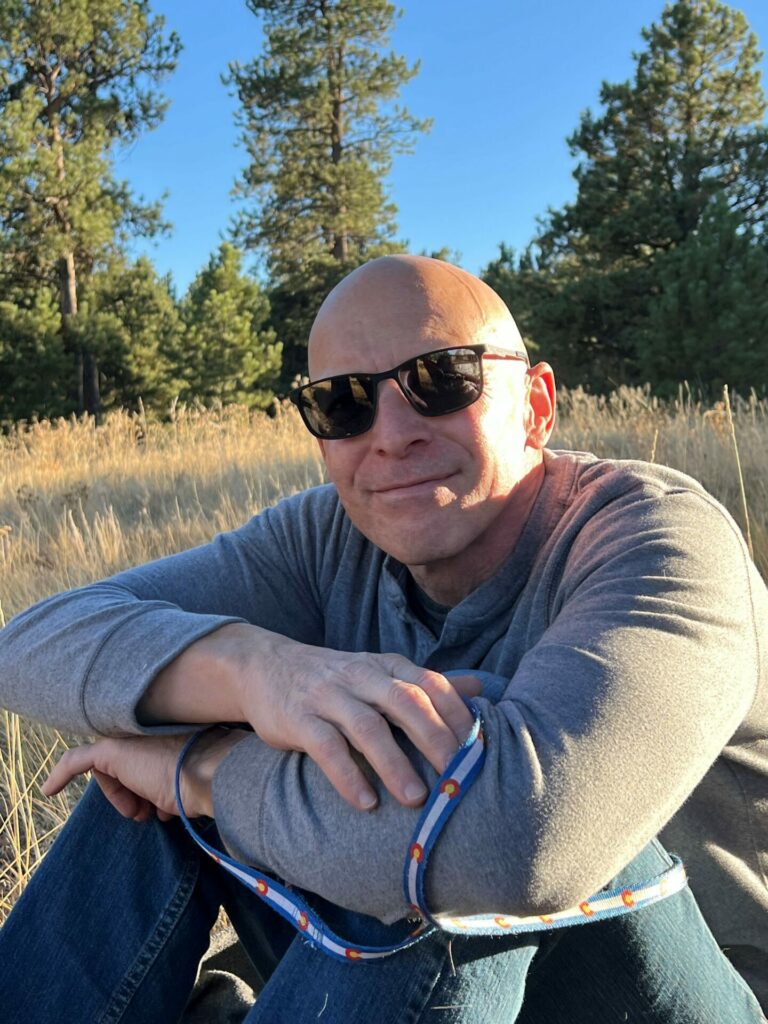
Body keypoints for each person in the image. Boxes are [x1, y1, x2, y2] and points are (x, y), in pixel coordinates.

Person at [0, 254, 766, 1023]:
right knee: (169, 733)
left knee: (439, 764)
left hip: (694, 996)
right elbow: (30, 642)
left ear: (536, 405)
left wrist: (200, 774)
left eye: (443, 379)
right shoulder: (327, 539)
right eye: (342, 403)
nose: (391, 436)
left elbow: (530, 842)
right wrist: (258, 671)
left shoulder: (657, 538)